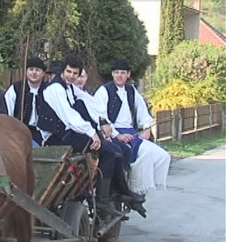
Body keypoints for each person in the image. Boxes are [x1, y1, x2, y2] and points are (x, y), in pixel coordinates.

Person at [36, 54, 143, 217]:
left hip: (68, 133)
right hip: (56, 137)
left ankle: (121, 191)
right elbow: (69, 117)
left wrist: (104, 122)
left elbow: (92, 103)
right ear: (63, 70)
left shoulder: (70, 87)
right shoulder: (55, 89)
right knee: (109, 152)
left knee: (118, 150)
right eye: (69, 72)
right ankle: (103, 198)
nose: (72, 76)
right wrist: (92, 133)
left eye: (75, 73)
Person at [94, 58, 171, 199]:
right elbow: (101, 117)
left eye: (123, 73)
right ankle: (136, 190)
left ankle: (148, 186)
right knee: (145, 153)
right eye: (116, 72)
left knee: (163, 156)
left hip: (131, 132)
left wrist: (146, 128)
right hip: (112, 132)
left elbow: (142, 111)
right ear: (112, 74)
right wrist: (117, 135)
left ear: (128, 74)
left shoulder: (131, 91)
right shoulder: (104, 91)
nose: (119, 75)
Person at [4, 56, 48, 146]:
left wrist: (46, 137)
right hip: (19, 131)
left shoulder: (49, 90)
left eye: (37, 70)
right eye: (31, 69)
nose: (34, 73)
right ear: (26, 72)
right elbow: (7, 113)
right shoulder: (15, 89)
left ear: (43, 73)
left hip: (42, 133)